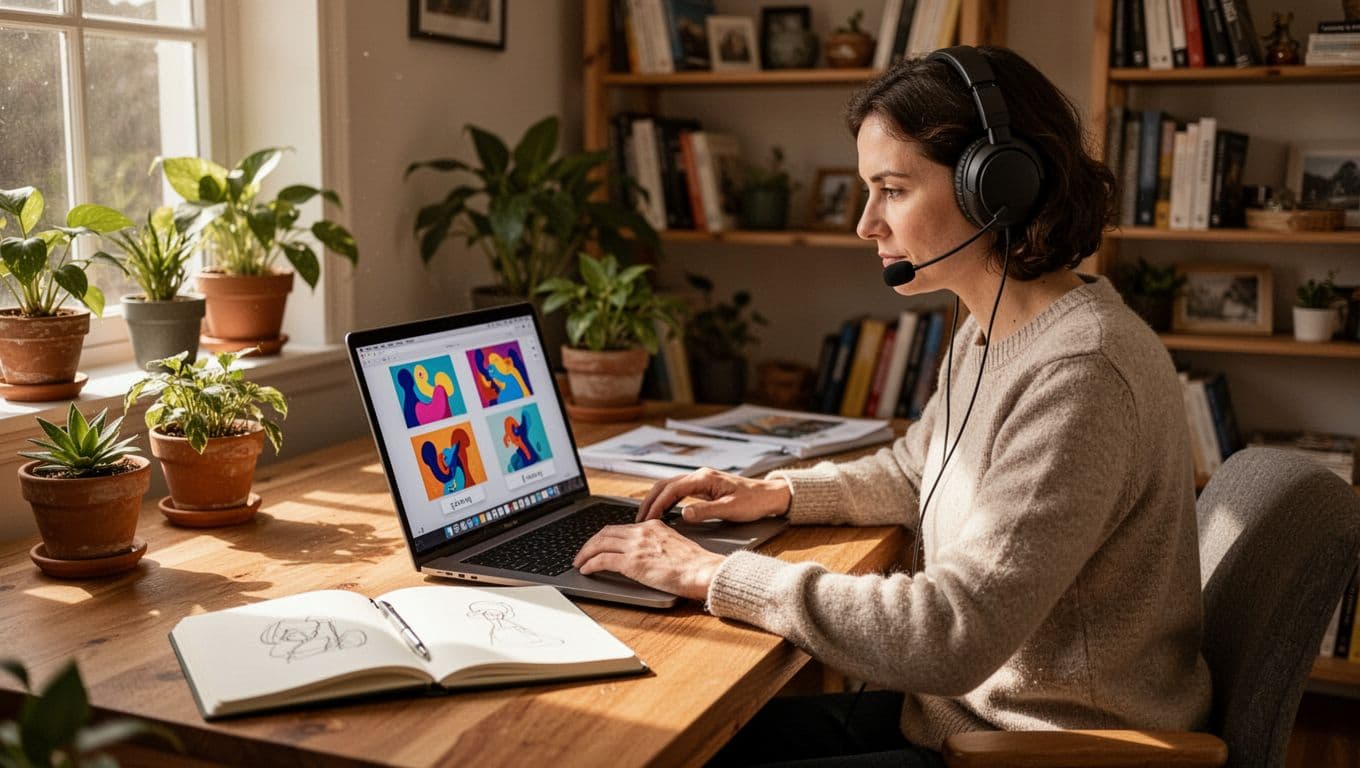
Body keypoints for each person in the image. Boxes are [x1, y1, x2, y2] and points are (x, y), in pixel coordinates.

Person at [574, 45, 1211, 766]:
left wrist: (711, 575)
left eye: (893, 190)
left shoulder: (1081, 374)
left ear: (997, 189)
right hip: (958, 721)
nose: (866, 223)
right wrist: (777, 493)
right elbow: (920, 470)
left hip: (1038, 750)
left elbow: (950, 634)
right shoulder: (994, 328)